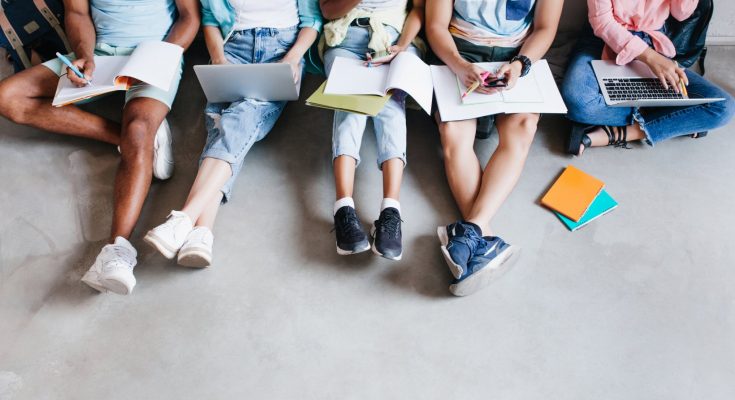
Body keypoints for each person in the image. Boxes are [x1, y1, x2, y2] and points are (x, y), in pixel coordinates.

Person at [0, 0, 200, 295]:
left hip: (157, 53)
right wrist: (84, 56)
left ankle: (117, 250)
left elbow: (189, 17)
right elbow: (77, 13)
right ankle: (134, 141)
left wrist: (165, 55)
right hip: (103, 55)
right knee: (7, 97)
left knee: (139, 129)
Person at [144, 0, 323, 267]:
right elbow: (209, 18)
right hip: (232, 49)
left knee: (242, 118)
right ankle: (201, 233)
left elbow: (312, 20)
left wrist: (293, 58)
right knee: (220, 124)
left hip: (281, 49)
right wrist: (218, 59)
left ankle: (185, 217)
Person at [426, 0, 563, 296]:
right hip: (458, 49)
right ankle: (484, 237)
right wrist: (459, 65)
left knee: (524, 127)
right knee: (453, 130)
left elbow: (545, 28)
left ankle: (470, 229)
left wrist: (520, 65)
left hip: (518, 54)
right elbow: (435, 25)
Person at [320, 0, 424, 261]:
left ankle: (391, 210)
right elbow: (327, 10)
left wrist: (401, 46)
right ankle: (344, 206)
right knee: (350, 110)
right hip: (345, 38)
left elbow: (419, 10)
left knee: (391, 109)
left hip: (396, 39)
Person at [562, 0, 735, 155]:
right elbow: (602, 23)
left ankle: (625, 133)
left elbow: (681, 13)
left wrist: (653, 56)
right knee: (579, 103)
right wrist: (651, 58)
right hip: (602, 40)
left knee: (723, 107)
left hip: (652, 41)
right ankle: (676, 120)